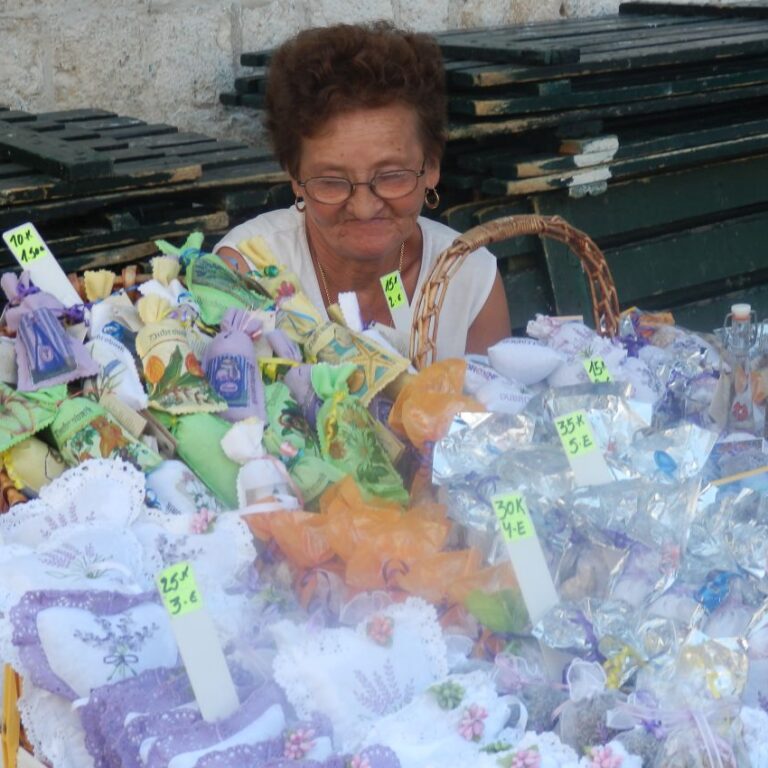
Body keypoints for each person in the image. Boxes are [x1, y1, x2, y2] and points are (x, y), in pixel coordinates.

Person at [215, 21, 511, 360]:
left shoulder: (468, 279)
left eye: (391, 176)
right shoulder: (249, 269)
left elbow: (495, 409)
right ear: (295, 176)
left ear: (431, 166)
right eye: (331, 181)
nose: (364, 208)